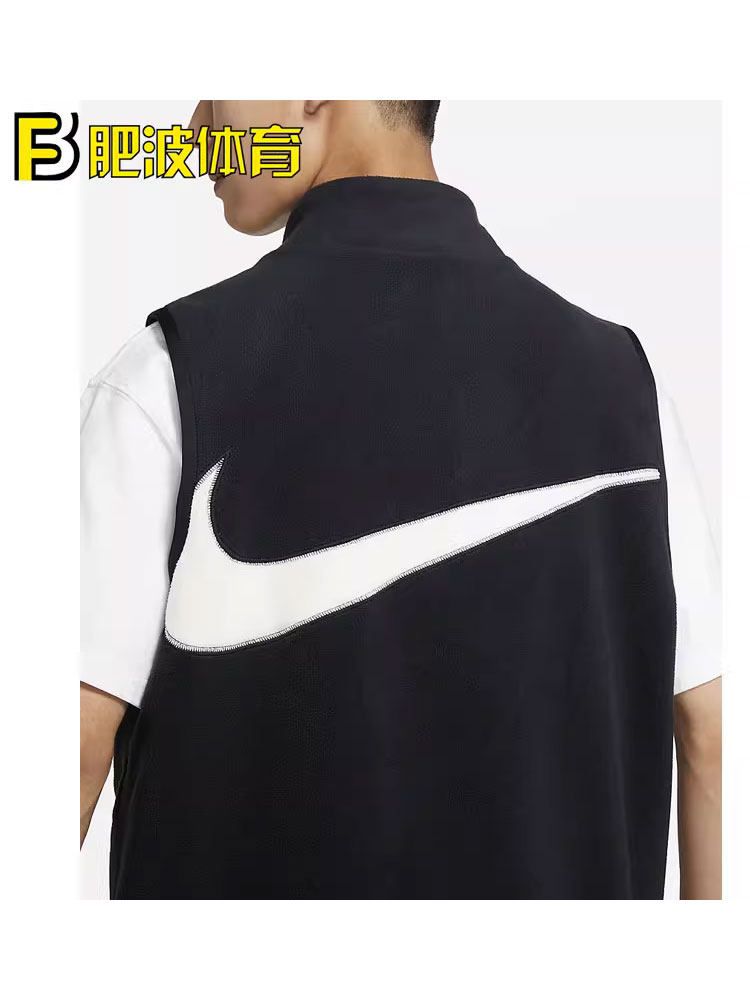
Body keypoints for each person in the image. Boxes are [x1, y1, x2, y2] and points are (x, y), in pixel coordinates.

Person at [80, 100, 721, 899]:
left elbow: (72, 750)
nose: (196, 125)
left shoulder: (168, 377)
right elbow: (709, 739)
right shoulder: (625, 384)